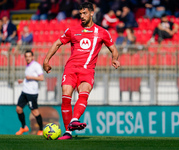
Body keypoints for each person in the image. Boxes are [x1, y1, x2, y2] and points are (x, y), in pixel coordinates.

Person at [43, 2, 120, 140]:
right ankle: (68, 132)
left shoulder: (102, 32)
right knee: (66, 96)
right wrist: (46, 60)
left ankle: (74, 120)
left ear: (92, 12)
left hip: (88, 70)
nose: (82, 16)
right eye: (80, 14)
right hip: (71, 69)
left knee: (83, 94)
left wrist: (115, 59)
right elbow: (57, 43)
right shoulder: (72, 30)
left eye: (85, 13)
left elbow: (113, 49)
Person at [16, 50, 44, 135]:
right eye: (26, 56)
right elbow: (28, 78)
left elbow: (41, 78)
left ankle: (41, 130)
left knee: (35, 112)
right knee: (18, 109)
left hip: (32, 93)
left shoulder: (36, 66)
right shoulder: (28, 66)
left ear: (32, 57)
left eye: (29, 56)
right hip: (25, 91)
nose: (28, 58)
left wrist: (30, 77)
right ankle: (24, 127)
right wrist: (23, 80)